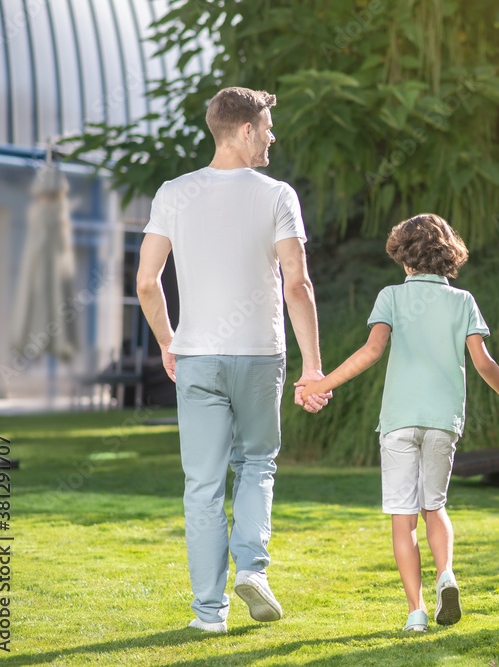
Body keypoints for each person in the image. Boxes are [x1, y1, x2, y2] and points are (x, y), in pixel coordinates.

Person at [136, 86, 332, 633]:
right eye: (267, 127)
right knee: (257, 466)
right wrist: (313, 367)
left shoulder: (173, 192)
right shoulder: (277, 196)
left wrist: (167, 341)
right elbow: (298, 284)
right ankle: (253, 569)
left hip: (196, 357)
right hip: (259, 355)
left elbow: (147, 282)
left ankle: (208, 614)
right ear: (246, 130)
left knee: (201, 485)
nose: (273, 135)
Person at [299, 213, 499, 633]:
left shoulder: (391, 296)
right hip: (443, 422)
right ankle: (447, 575)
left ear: (404, 258)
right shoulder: (463, 301)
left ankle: (416, 612)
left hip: (399, 422)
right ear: (447, 256)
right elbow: (483, 362)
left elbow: (370, 352)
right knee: (435, 507)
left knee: (402, 519)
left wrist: (322, 384)